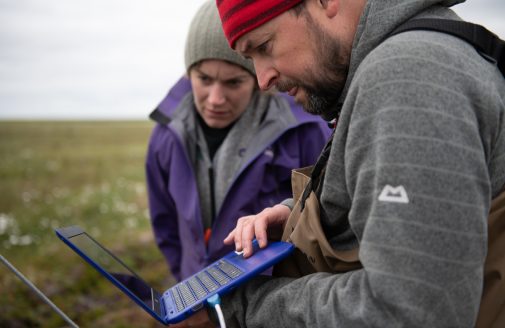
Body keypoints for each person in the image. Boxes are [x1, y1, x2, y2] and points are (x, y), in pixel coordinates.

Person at [174, 0, 505, 327]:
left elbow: (408, 313)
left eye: (264, 46)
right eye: (251, 59)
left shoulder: (408, 76)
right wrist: (296, 216)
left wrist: (244, 306)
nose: (263, 80)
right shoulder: (413, 56)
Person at [145, 0, 329, 283]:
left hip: (270, 303)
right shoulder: (166, 136)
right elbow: (165, 224)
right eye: (204, 79)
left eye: (233, 83)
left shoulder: (305, 130)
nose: (216, 99)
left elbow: (327, 217)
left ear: (257, 78)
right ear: (188, 74)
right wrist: (185, 287)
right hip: (195, 299)